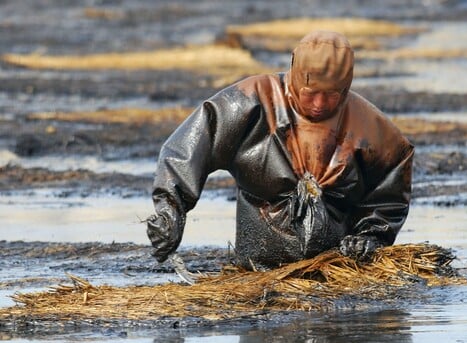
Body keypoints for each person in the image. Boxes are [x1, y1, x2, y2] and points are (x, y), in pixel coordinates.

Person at [147, 30, 414, 270]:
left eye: (332, 94)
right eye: (310, 92)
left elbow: (390, 190)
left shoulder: (371, 129)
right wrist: (170, 209)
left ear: (347, 87)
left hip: (337, 270)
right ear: (295, 75)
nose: (320, 104)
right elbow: (189, 147)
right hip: (256, 269)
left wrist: (372, 236)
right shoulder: (251, 102)